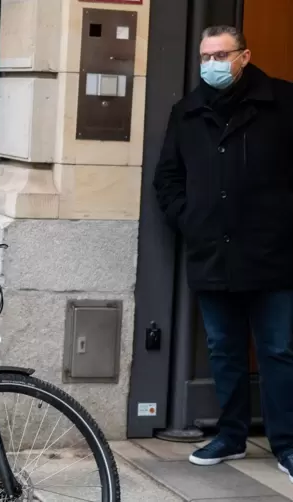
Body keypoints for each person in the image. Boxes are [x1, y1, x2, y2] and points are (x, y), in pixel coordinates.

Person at [153, 25, 293, 482]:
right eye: (205, 56)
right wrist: (191, 220)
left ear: (245, 56)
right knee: (224, 350)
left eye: (221, 54)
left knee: (277, 350)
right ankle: (231, 436)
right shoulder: (187, 112)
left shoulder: (283, 103)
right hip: (212, 253)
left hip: (273, 255)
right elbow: (168, 178)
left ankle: (286, 444)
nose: (211, 64)